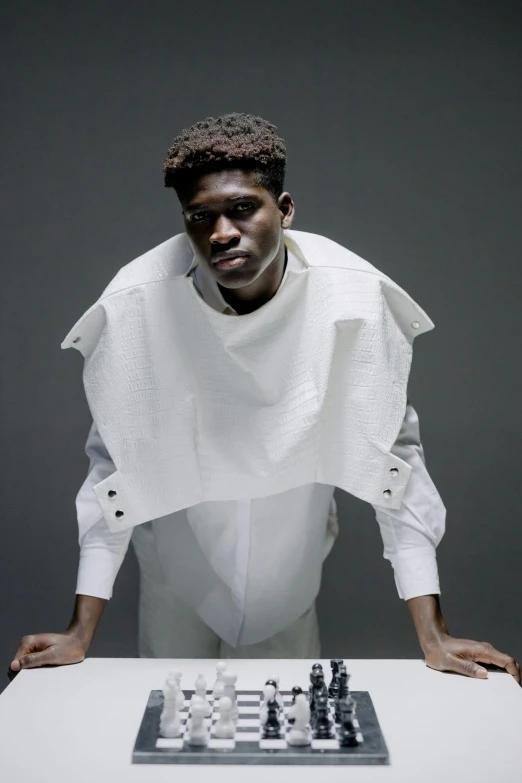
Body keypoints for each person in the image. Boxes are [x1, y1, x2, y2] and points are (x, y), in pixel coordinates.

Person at [8, 113, 520, 684]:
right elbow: (112, 464)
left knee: (285, 743)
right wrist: (81, 631)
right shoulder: (138, 304)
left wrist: (434, 635)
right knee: (174, 745)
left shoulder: (352, 298)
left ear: (285, 209)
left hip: (291, 571)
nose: (221, 232)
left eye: (243, 208)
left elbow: (395, 463)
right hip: (180, 569)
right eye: (200, 217)